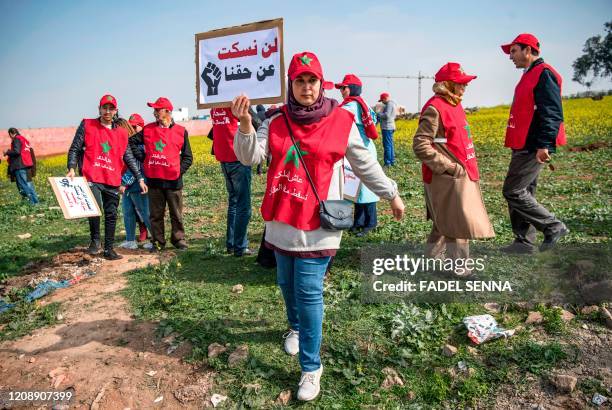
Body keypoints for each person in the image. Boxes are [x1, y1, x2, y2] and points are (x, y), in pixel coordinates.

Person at [231, 51, 405, 401]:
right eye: (300, 81)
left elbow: (365, 162)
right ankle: (294, 327)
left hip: (319, 222)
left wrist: (392, 193)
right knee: (285, 282)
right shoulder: (276, 122)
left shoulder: (340, 120)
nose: (306, 87)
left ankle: (311, 368)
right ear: (290, 85)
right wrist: (246, 124)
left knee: (309, 291)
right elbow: (249, 157)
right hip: (281, 221)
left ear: (321, 84)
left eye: (312, 81)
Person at [413, 63, 494, 270]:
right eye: (460, 84)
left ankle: (430, 260)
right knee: (458, 224)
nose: (464, 88)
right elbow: (420, 144)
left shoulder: (454, 104)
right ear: (447, 84)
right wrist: (449, 167)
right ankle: (460, 271)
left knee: (444, 222)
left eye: (465, 84)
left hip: (460, 174)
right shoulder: (435, 108)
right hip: (447, 176)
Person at [500, 33, 568, 253]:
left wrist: (545, 144)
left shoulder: (544, 73)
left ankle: (553, 226)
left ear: (527, 50)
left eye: (513, 51)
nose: (510, 56)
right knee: (525, 190)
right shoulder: (529, 73)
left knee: (513, 191)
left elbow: (552, 112)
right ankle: (524, 242)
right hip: (523, 142)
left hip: (533, 144)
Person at [67, 94, 147, 260]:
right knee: (95, 209)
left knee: (111, 214)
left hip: (112, 178)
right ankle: (95, 241)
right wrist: (72, 168)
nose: (108, 111)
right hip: (92, 177)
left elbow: (128, 156)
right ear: (99, 109)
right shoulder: (88, 125)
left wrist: (139, 177)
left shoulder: (121, 133)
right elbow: (75, 148)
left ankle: (109, 249)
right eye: (105, 108)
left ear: (115, 111)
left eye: (111, 108)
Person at [129, 97, 193, 251]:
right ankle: (158, 242)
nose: (154, 113)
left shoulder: (180, 131)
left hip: (173, 182)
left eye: (158, 110)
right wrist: (145, 158)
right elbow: (131, 143)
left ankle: (178, 240)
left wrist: (178, 171)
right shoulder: (149, 129)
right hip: (154, 181)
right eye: (154, 110)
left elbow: (188, 157)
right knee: (156, 215)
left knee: (176, 214)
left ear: (168, 111)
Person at [335, 74, 380, 237]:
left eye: (344, 88)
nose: (341, 91)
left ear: (352, 88)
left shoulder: (350, 106)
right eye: (340, 88)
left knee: (366, 188)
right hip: (363, 147)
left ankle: (371, 222)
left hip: (361, 149)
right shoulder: (364, 104)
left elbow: (336, 119)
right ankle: (359, 221)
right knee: (357, 188)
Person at [211, 107, 253, 257]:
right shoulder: (235, 106)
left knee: (234, 203)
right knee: (244, 206)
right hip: (238, 158)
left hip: (224, 158)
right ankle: (240, 247)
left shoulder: (215, 106)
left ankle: (231, 244)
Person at [116, 119, 153, 251]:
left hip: (138, 184)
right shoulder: (119, 144)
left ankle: (156, 240)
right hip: (127, 186)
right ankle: (130, 240)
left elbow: (137, 166)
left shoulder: (133, 143)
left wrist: (124, 183)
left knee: (145, 212)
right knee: (128, 212)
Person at [128, 113, 148, 242]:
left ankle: (148, 230)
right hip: (130, 180)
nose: (133, 130)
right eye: (131, 127)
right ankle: (142, 229)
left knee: (144, 208)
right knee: (133, 209)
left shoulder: (145, 142)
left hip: (144, 179)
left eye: (135, 127)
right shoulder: (130, 142)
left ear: (142, 126)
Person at [5, 128, 39, 205]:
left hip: (20, 166)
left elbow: (17, 151)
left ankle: (32, 203)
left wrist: (7, 152)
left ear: (11, 133)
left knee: (23, 185)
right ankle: (35, 202)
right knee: (28, 185)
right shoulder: (24, 139)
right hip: (27, 165)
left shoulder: (16, 139)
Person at [377, 92, 397, 166]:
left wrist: (379, 114)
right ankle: (392, 161)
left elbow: (387, 115)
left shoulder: (389, 104)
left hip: (387, 127)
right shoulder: (393, 104)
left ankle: (387, 162)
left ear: (385, 98)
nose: (382, 102)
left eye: (382, 100)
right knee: (390, 144)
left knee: (387, 145)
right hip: (390, 126)